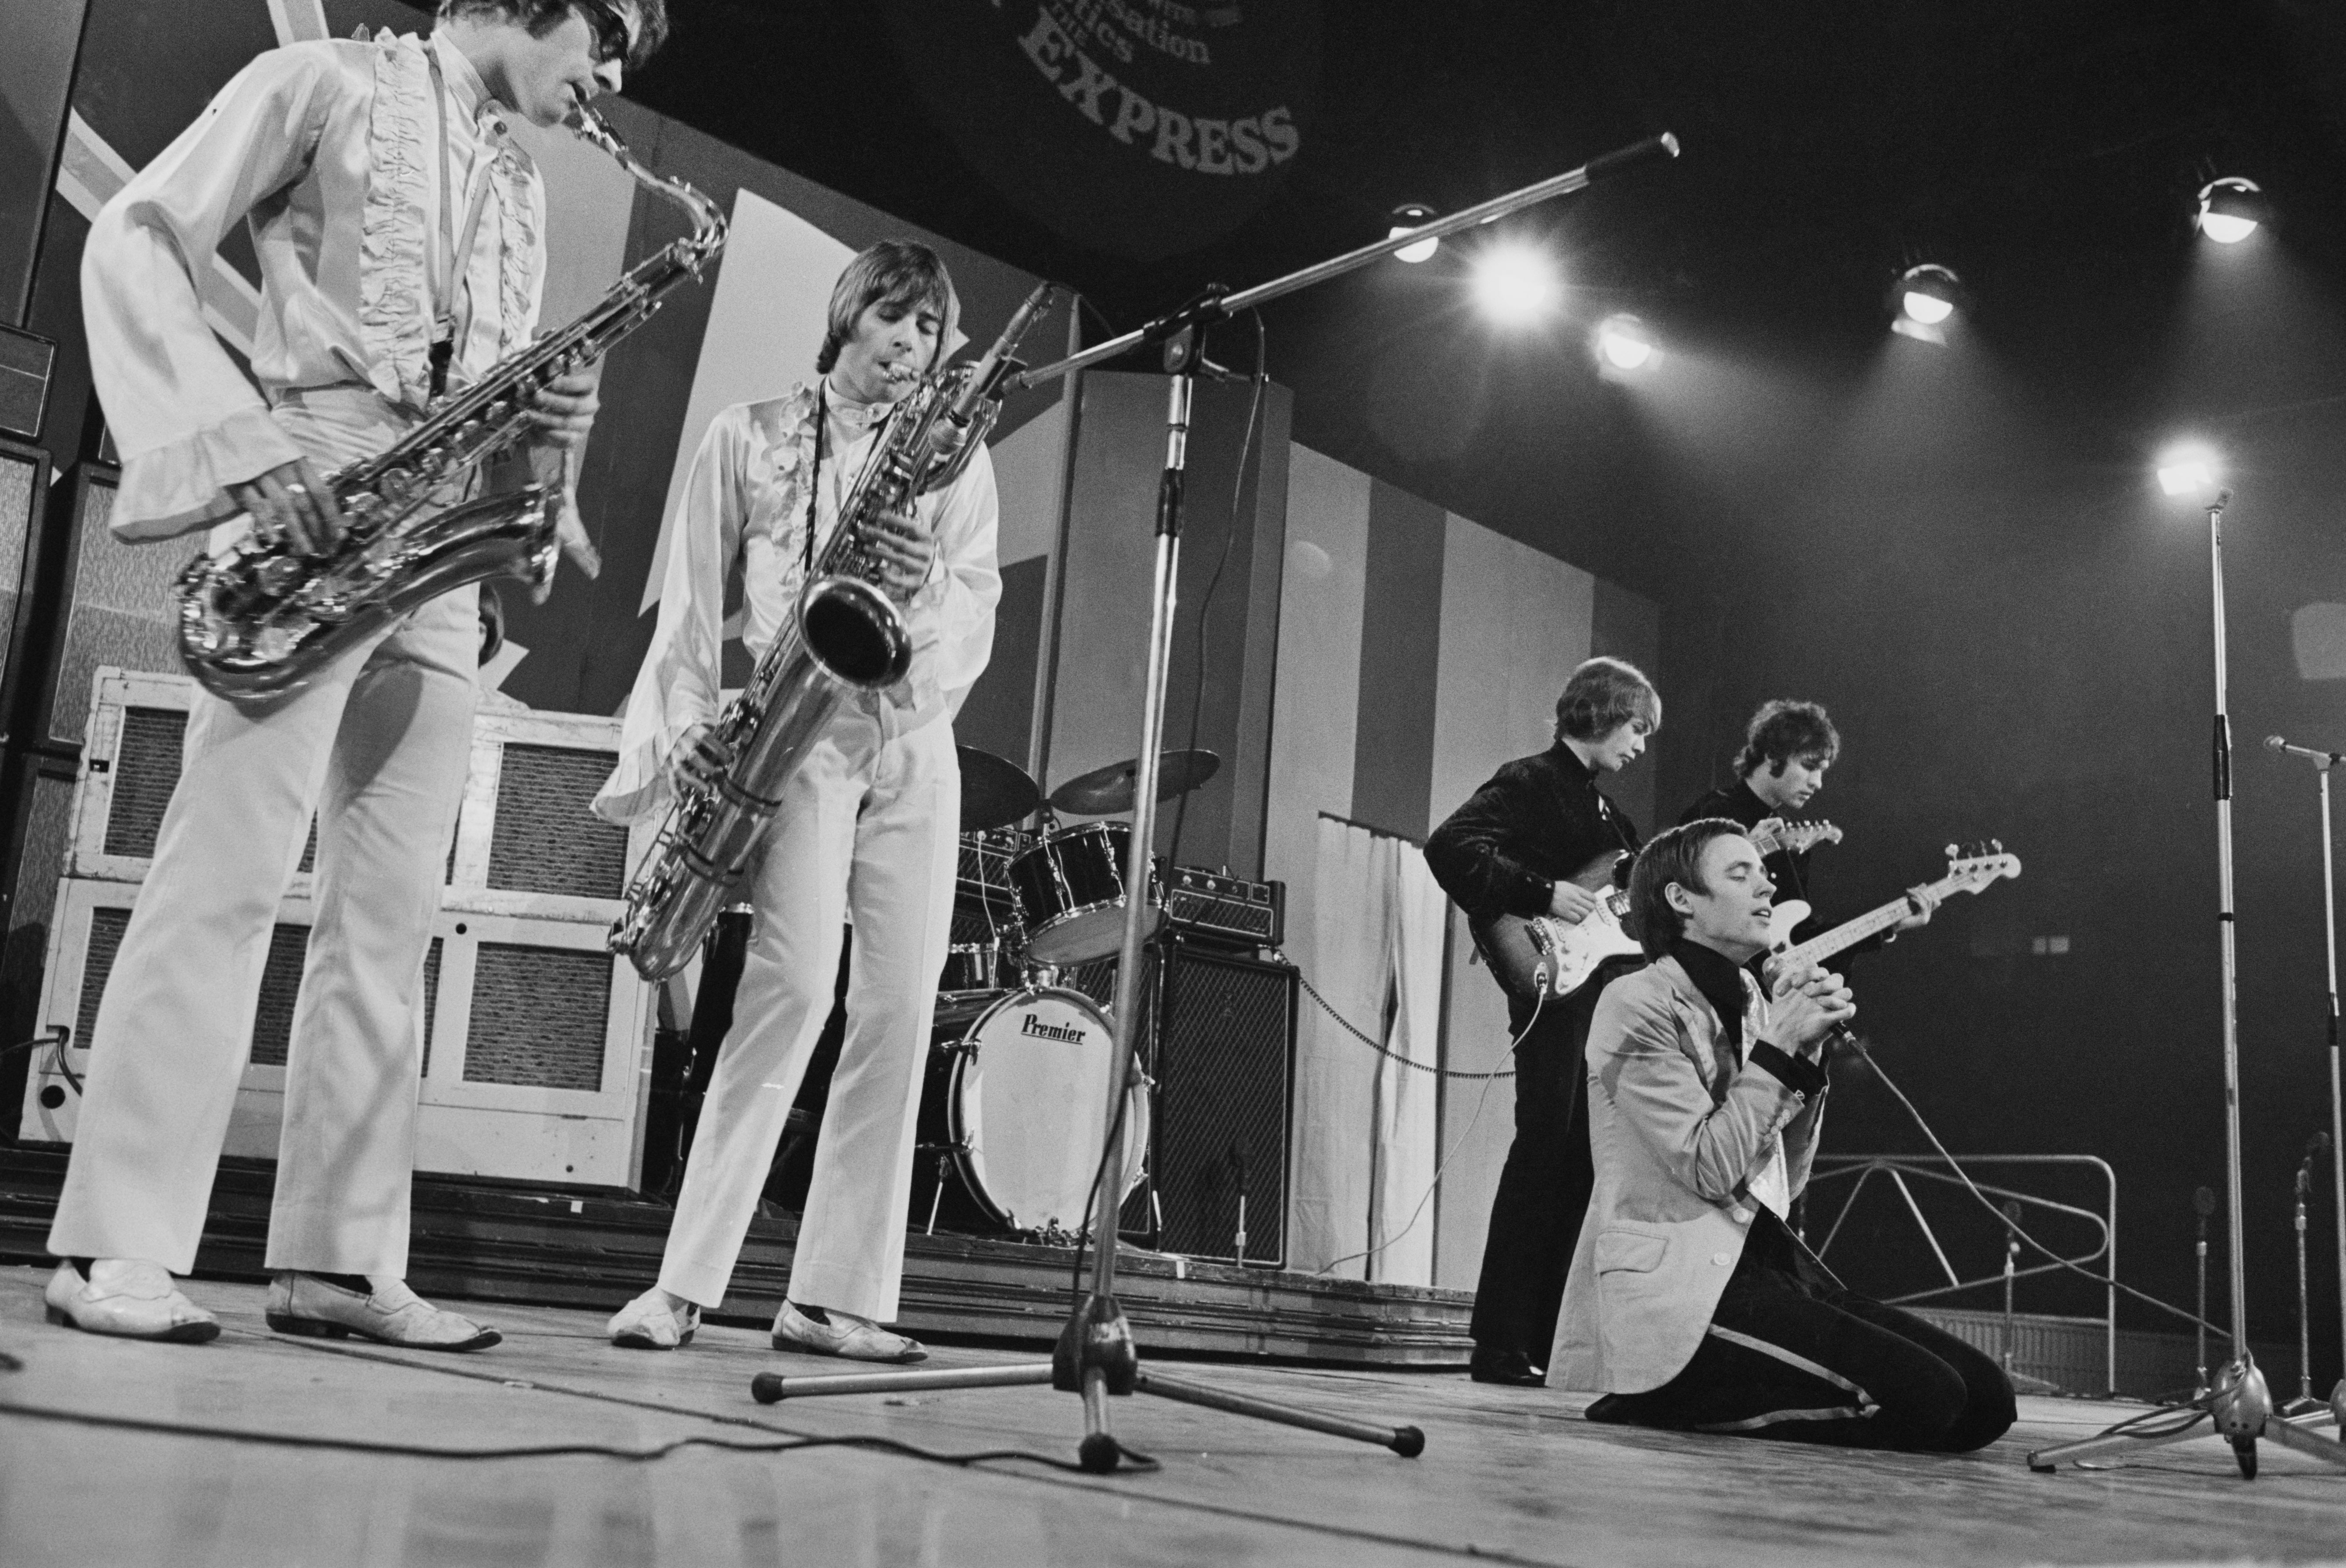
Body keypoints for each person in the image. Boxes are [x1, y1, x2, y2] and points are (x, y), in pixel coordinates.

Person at [44, 0, 662, 1347]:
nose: (609, 79)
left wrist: (547, 450)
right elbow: (138, 228)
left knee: (388, 921)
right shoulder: (319, 79)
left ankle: (336, 1261)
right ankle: (114, 1243)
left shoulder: (518, 186)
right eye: (606, 38)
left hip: (431, 548)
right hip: (311, 492)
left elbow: (482, 385)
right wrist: (238, 448)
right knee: (222, 877)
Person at [597, 242, 1001, 1363]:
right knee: (790, 989)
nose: (911, 347)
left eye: (929, 330)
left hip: (914, 738)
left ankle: (833, 1296)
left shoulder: (956, 460)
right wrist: (690, 731)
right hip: (799, 731)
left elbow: (977, 599)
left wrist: (918, 603)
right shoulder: (747, 432)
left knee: (901, 1010)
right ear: (849, 314)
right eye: (895, 320)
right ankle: (683, 1284)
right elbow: (688, 607)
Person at [1551, 818, 2014, 1449]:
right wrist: (1779, 1048)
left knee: (1987, 1399)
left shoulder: (1754, 1000)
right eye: (1739, 874)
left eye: (1763, 872)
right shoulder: (1634, 1001)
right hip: (1680, 1286)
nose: (1766, 887)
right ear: (1681, 899)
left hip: (1766, 1261)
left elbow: (1783, 1179)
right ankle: (1666, 1398)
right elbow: (1709, 1169)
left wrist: (1809, 1057)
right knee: (1932, 1398)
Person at [1423, 655, 1657, 1386]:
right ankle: (1497, 1342)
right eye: (1637, 727)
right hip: (1550, 982)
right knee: (1541, 1147)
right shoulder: (1530, 780)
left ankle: (1548, 1340)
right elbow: (1449, 847)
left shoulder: (1610, 816)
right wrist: (1540, 891)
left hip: (1598, 996)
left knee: (1582, 1159)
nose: (1641, 745)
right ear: (1601, 712)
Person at [1679, 699, 1930, 954]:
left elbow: (1801, 938)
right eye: (1809, 767)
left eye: (1821, 771)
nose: (1817, 783)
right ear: (1772, 756)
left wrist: (1891, 926)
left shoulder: (1789, 835)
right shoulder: (1711, 813)